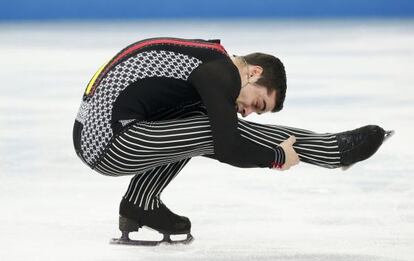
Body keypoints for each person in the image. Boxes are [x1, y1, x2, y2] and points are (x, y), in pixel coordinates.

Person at [72, 37, 390, 245]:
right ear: (253, 72)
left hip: (103, 134)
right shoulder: (219, 72)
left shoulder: (209, 62)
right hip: (108, 142)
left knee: (202, 119)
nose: (249, 112)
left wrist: (272, 152)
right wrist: (275, 158)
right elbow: (227, 145)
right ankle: (330, 150)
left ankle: (139, 204)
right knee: (211, 128)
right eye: (258, 103)